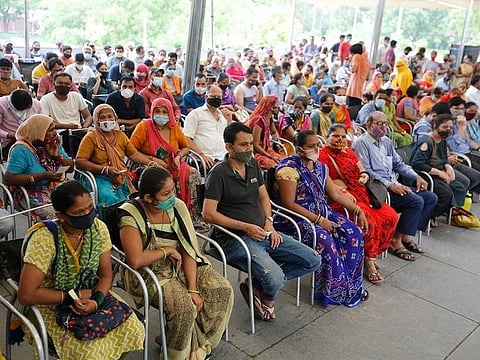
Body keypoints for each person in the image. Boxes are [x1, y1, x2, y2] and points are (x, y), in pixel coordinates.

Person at [203, 122, 321, 320]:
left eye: (250, 144)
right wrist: (246, 227)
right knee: (273, 279)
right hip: (236, 239)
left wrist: (268, 222)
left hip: (264, 231)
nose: (249, 148)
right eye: (243, 145)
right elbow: (208, 214)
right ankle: (267, 292)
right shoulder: (219, 174)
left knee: (313, 260)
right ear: (229, 147)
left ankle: (257, 284)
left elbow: (264, 197)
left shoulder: (252, 164)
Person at [17, 180, 145, 359]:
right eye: (79, 212)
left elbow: (105, 275)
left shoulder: (98, 229)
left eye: (90, 208)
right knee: (89, 352)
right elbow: (26, 295)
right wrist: (70, 296)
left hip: (90, 293)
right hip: (49, 304)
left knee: (133, 329)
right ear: (60, 215)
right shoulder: (44, 239)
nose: (88, 214)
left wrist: (97, 300)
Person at [118, 167, 232, 359]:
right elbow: (136, 259)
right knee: (183, 308)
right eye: (166, 194)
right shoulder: (130, 214)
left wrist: (193, 289)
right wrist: (166, 250)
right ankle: (176, 354)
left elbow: (188, 248)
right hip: (148, 272)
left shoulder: (177, 206)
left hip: (181, 262)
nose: (173, 196)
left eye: (173, 190)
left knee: (221, 289)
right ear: (148, 198)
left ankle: (197, 342)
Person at [273, 129, 368, 305]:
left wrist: (357, 210)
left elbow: (336, 195)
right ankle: (331, 291)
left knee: (353, 233)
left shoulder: (320, 167)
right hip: (296, 220)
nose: (316, 150)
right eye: (311, 146)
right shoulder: (288, 169)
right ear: (300, 149)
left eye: (317, 145)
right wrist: (319, 221)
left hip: (323, 213)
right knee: (325, 241)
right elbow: (289, 204)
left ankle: (350, 285)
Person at [319, 125, 399, 283]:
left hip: (363, 195)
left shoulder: (349, 152)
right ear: (327, 137)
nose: (340, 140)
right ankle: (369, 262)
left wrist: (364, 176)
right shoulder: (323, 155)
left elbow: (362, 169)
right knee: (368, 221)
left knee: (390, 216)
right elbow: (323, 181)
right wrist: (342, 190)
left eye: (343, 137)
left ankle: (369, 253)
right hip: (342, 199)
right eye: (335, 136)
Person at [353, 111, 438, 260]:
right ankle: (395, 241)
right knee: (415, 201)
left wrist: (416, 176)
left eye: (385, 124)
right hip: (378, 188)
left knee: (430, 197)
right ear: (368, 125)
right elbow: (367, 171)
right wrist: (390, 185)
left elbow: (399, 164)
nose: (384, 127)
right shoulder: (361, 143)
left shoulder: (386, 141)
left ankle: (405, 235)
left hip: (394, 183)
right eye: (379, 124)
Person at [130, 98, 207, 229]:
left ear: (170, 113)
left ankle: (191, 216)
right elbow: (131, 151)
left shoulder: (174, 127)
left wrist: (178, 156)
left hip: (173, 163)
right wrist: (152, 161)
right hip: (148, 165)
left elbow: (185, 147)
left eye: (164, 112)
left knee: (194, 174)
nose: (161, 114)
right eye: (157, 111)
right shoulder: (144, 126)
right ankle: (169, 219)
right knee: (164, 179)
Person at [75, 104, 163, 214]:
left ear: (115, 118)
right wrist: (105, 170)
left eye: (110, 116)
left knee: (134, 195)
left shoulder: (120, 135)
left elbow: (134, 154)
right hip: (99, 177)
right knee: (109, 197)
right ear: (96, 120)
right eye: (102, 117)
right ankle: (110, 224)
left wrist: (152, 163)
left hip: (120, 175)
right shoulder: (91, 137)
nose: (107, 120)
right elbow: (79, 162)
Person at [5, 115, 73, 220]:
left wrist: (58, 158)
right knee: (56, 214)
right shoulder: (21, 149)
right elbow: (9, 179)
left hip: (56, 186)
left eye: (54, 128)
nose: (55, 132)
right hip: (29, 191)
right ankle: (52, 235)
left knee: (77, 205)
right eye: (51, 130)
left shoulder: (53, 142)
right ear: (39, 131)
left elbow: (71, 168)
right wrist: (41, 176)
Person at [410, 114, 467, 220]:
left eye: (450, 128)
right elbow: (417, 164)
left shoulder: (442, 141)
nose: (448, 130)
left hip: (438, 173)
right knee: (446, 194)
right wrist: (440, 173)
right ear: (435, 126)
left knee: (459, 188)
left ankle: (436, 214)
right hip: (425, 175)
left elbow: (444, 158)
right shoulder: (427, 142)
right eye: (445, 127)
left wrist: (447, 168)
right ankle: (426, 218)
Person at [183, 85, 232, 169]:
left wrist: (229, 121)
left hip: (223, 157)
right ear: (206, 97)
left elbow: (229, 137)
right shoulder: (195, 114)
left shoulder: (223, 114)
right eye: (213, 96)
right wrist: (202, 155)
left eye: (219, 97)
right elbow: (187, 138)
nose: (216, 99)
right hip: (203, 158)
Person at [0, 89, 42, 158]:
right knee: (25, 153)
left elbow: (42, 123)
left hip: (32, 139)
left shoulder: (36, 104)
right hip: (10, 141)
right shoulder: (2, 104)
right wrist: (9, 135)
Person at [246, 95, 283, 169]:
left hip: (267, 150)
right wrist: (271, 157)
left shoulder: (269, 118)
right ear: (270, 107)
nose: (278, 109)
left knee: (286, 162)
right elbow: (255, 145)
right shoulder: (258, 121)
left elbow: (274, 132)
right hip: (257, 153)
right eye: (276, 107)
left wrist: (278, 142)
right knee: (275, 166)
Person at [346, 43, 370, 107]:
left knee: (350, 109)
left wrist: (350, 63)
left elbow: (353, 70)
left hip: (353, 89)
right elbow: (367, 77)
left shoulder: (356, 56)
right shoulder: (367, 59)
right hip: (360, 89)